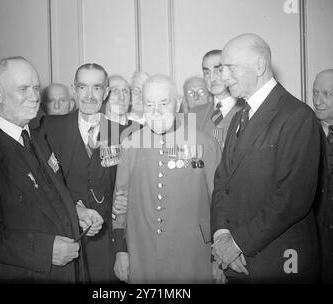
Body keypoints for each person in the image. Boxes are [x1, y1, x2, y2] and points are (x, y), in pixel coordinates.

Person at [0, 56, 103, 283]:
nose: (34, 97)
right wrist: (45, 251)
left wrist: (77, 212)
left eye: (36, 88)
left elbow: (49, 195)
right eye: (23, 89)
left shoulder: (35, 137)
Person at [211, 33, 321, 283]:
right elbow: (222, 182)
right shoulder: (240, 116)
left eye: (230, 68)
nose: (223, 77)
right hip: (238, 262)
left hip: (278, 262)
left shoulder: (297, 116)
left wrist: (237, 243)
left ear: (259, 65)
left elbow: (293, 197)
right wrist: (221, 235)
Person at [111, 74, 223, 283]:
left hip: (193, 256)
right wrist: (120, 250)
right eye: (149, 104)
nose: (156, 111)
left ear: (178, 102)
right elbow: (120, 201)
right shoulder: (131, 143)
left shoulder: (205, 143)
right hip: (143, 256)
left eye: (164, 103)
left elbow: (219, 203)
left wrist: (217, 256)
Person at [40, 63, 125, 283]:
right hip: (64, 237)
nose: (89, 95)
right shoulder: (49, 127)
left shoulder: (123, 132)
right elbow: (42, 182)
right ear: (74, 89)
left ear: (106, 92)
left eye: (96, 87)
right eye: (83, 87)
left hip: (106, 241)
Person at [312, 69, 333, 284]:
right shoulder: (303, 129)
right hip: (314, 235)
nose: (318, 101)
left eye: (326, 94)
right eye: (314, 93)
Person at [191, 50, 240, 149]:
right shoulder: (193, 114)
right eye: (207, 72)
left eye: (218, 70)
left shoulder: (249, 112)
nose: (212, 78)